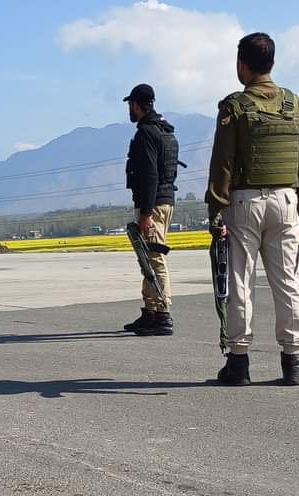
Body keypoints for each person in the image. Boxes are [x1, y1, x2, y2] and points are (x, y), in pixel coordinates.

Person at [206, 32, 299, 386]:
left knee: (241, 281)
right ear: (271, 63)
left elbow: (222, 164)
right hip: (286, 201)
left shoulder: (234, 107)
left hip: (244, 204)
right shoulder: (296, 105)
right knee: (287, 280)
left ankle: (238, 363)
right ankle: (294, 362)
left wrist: (216, 209)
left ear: (242, 64)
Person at [122, 83, 180, 337]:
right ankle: (150, 312)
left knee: (155, 259)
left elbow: (150, 176)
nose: (129, 111)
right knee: (148, 259)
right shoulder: (165, 131)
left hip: (153, 204)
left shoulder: (147, 132)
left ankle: (163, 315)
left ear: (137, 105)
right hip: (163, 201)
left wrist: (145, 212)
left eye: (130, 105)